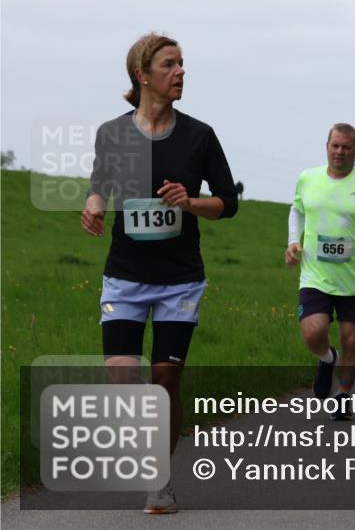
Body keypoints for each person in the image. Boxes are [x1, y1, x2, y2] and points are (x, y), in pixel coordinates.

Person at [81, 33, 239, 514]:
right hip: (125, 276)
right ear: (142, 75)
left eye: (182, 65)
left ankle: (160, 478)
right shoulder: (112, 133)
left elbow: (228, 204)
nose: (180, 73)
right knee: (122, 377)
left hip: (180, 280)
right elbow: (100, 182)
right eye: (170, 65)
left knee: (166, 378)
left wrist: (189, 202)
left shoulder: (199, 135)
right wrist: (93, 206)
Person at [285, 123, 355, 421]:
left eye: (346, 147)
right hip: (315, 274)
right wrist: (294, 242)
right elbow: (297, 211)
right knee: (313, 333)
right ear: (327, 146)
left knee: (352, 340)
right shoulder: (308, 178)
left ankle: (344, 393)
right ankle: (326, 358)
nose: (340, 152)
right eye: (335, 145)